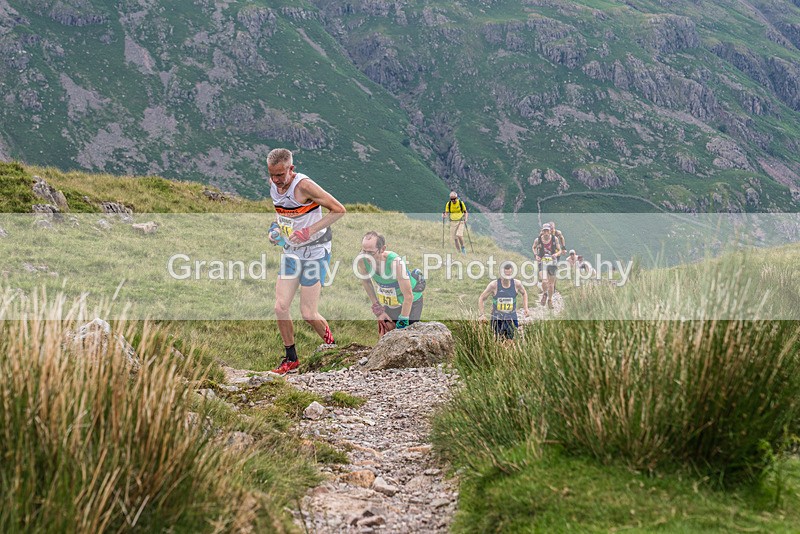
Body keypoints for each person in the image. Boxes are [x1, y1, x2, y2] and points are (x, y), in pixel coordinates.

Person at [268, 148, 346, 374]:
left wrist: (308, 231)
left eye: (280, 175)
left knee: (309, 314)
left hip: (315, 252)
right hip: (291, 252)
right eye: (272, 175)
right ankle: (291, 358)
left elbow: (339, 210)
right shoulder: (274, 184)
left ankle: (334, 350)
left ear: (291, 169)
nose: (276, 180)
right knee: (280, 307)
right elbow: (281, 214)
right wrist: (275, 229)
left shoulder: (304, 186)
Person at [357, 231, 424, 336]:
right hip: (391, 301)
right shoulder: (362, 260)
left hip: (411, 301)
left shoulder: (395, 263)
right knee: (385, 331)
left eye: (370, 253)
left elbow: (409, 296)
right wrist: (378, 310)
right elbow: (366, 282)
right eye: (363, 251)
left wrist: (403, 321)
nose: (366, 256)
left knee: (405, 336)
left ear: (382, 249)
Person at [478, 262, 531, 341]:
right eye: (505, 274)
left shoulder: (517, 284)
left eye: (509, 275)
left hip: (511, 316)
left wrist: (526, 308)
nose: (507, 277)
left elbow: (524, 293)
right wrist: (482, 315)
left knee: (510, 341)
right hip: (497, 317)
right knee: (497, 341)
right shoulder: (494, 285)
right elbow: (481, 298)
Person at [532, 223, 562, 309]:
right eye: (544, 231)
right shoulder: (538, 240)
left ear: (550, 231)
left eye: (547, 231)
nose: (546, 233)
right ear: (542, 231)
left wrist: (556, 254)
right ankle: (545, 294)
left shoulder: (554, 239)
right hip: (542, 261)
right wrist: (536, 255)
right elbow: (533, 247)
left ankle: (550, 300)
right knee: (544, 280)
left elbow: (559, 250)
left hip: (552, 262)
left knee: (551, 284)